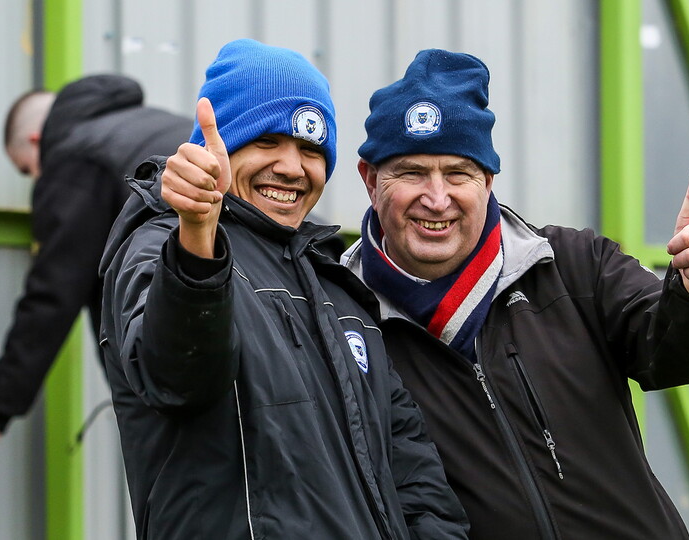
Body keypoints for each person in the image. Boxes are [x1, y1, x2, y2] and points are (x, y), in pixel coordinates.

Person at [341, 49, 689, 539]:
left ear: (488, 181)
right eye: (410, 173)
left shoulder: (573, 264)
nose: (437, 198)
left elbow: (677, 353)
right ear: (369, 180)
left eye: (457, 173)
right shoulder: (345, 317)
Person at [98, 39, 468, 539]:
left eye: (312, 149)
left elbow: (410, 469)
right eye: (267, 141)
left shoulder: (335, 284)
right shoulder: (165, 246)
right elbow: (177, 377)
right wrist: (196, 237)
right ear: (218, 146)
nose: (293, 167)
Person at [0, 74, 193, 468]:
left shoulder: (76, 157)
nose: (37, 180)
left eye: (29, 170)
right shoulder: (145, 125)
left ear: (34, 143)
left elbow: (53, 295)